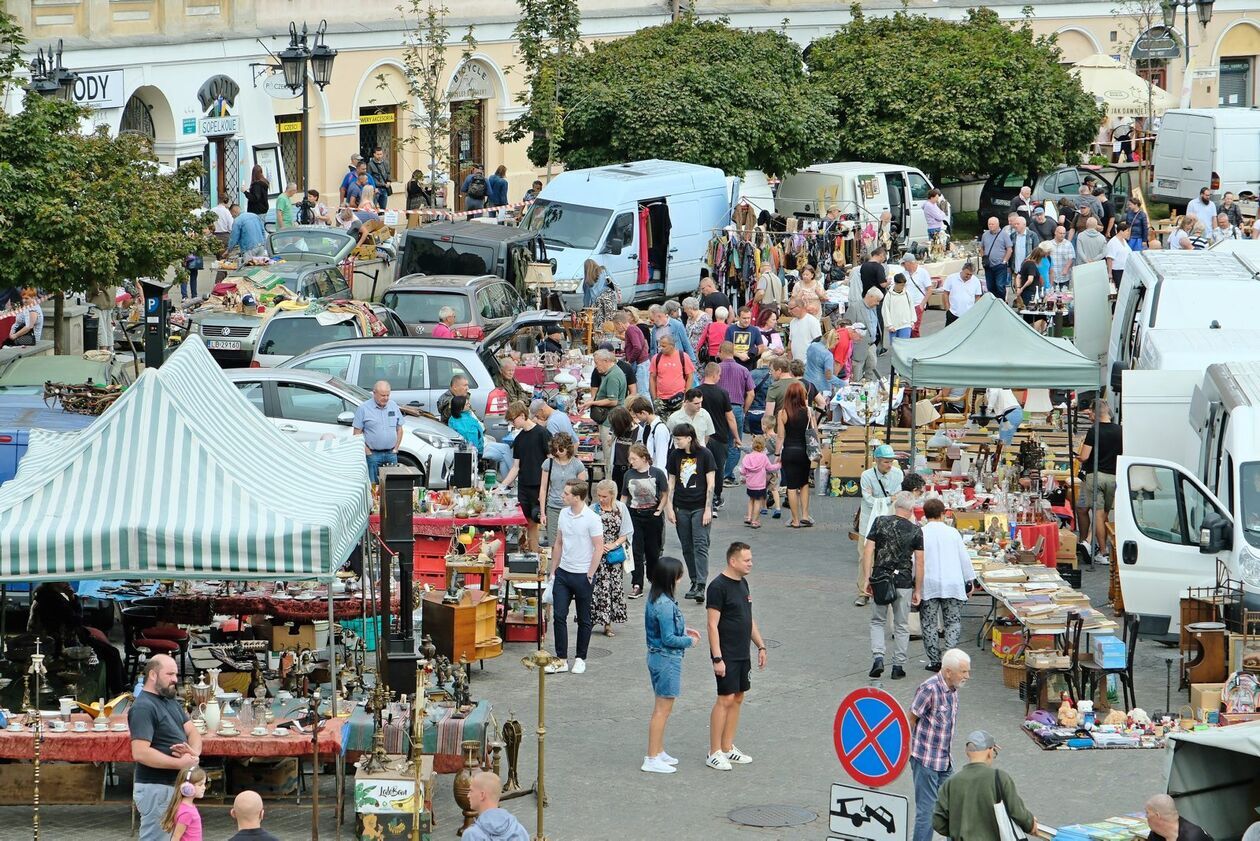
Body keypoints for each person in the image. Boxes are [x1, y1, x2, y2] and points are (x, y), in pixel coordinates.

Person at [705, 541, 767, 771]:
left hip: (743, 652)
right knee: (725, 699)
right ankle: (713, 752)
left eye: (750, 559)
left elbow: (748, 619)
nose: (751, 563)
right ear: (733, 561)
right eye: (747, 560)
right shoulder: (717, 587)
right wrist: (717, 658)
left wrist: (760, 646)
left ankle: (727, 747)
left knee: (738, 697)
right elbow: (712, 626)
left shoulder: (743, 584)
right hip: (727, 653)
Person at [129, 655, 202, 841]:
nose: (175, 679)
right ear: (152, 675)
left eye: (175, 674)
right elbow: (140, 752)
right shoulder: (143, 707)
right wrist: (180, 764)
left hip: (171, 787)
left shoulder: (170, 701)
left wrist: (194, 755)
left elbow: (193, 732)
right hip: (156, 788)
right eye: (169, 674)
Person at [642, 555, 701, 773]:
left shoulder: (656, 598)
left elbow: (662, 630)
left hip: (659, 656)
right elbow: (668, 638)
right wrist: (689, 641)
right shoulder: (665, 604)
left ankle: (658, 751)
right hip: (666, 658)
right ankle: (651, 757)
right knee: (662, 710)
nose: (680, 579)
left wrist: (685, 630)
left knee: (662, 707)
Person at [859, 492, 924, 679]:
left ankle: (878, 657)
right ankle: (898, 666)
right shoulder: (916, 530)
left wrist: (867, 577)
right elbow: (920, 562)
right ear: (911, 510)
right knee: (901, 624)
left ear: (896, 506)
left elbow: (868, 549)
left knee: (877, 620)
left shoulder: (880, 522)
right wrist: (918, 589)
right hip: (903, 580)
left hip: (881, 577)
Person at [909, 648, 971, 841]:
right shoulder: (929, 689)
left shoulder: (953, 689)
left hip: (945, 761)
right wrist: (905, 751)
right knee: (926, 814)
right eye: (963, 671)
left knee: (953, 809)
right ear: (948, 672)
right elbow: (910, 719)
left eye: (967, 671)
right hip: (925, 761)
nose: (967, 676)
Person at [933, 730, 1037, 841]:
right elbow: (1017, 812)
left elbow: (938, 822)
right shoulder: (999, 777)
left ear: (967, 752)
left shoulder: (950, 783)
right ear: (990, 751)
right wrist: (1030, 824)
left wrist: (957, 830)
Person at [546, 480, 603, 674]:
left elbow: (599, 547)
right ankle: (561, 658)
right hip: (563, 572)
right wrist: (553, 570)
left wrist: (590, 574)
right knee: (559, 616)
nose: (562, 496)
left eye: (566, 493)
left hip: (582, 575)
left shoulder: (592, 518)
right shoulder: (563, 514)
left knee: (584, 618)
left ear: (577, 497)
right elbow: (559, 543)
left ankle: (580, 657)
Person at [919, 499, 975, 672]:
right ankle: (949, 657)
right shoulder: (953, 533)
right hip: (952, 582)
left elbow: (916, 560)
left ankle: (934, 659)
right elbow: (963, 558)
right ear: (943, 513)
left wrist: (915, 583)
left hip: (929, 583)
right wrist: (970, 580)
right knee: (952, 621)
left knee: (928, 622)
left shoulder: (920, 532)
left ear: (924, 515)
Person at [666, 422, 716, 603]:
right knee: (687, 546)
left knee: (700, 545)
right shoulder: (675, 455)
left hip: (700, 506)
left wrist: (708, 509)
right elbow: (671, 482)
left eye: (678, 439)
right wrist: (669, 508)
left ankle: (701, 584)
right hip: (681, 507)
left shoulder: (705, 454)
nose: (676, 442)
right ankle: (694, 581)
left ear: (689, 438)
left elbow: (711, 483)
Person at [856, 445, 904, 607]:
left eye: (891, 462)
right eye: (885, 462)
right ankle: (863, 592)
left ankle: (887, 589)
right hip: (868, 521)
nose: (889, 465)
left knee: (889, 557)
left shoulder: (898, 474)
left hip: (889, 520)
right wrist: (889, 499)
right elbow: (868, 500)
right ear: (876, 461)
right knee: (865, 557)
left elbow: (899, 496)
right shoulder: (866, 476)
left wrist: (888, 499)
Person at [500, 401, 552, 551]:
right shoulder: (519, 439)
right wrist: (502, 485)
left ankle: (535, 553)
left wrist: (547, 486)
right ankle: (531, 554)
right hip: (524, 486)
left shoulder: (542, 433)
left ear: (522, 415)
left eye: (513, 419)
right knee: (527, 522)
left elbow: (550, 460)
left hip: (538, 486)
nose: (512, 423)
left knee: (535, 521)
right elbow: (516, 467)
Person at [1078, 398, 1122, 563]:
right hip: (1113, 478)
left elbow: (1084, 456)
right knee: (1103, 514)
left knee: (1097, 513)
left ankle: (1099, 550)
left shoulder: (1093, 431)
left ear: (1095, 413)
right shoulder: (1121, 431)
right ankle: (1097, 549)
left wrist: (1077, 457)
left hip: (1095, 476)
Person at [623, 443, 668, 599]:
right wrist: (621, 513)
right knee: (635, 550)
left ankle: (654, 581)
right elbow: (625, 496)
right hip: (634, 514)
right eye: (630, 459)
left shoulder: (657, 473)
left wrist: (659, 510)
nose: (632, 462)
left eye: (634, 459)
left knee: (652, 552)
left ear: (644, 458)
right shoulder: (629, 474)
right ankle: (637, 584)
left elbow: (664, 493)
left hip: (652, 515)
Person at [592, 479, 633, 636]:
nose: (601, 499)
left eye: (604, 496)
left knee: (612, 588)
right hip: (597, 554)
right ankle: (593, 619)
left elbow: (627, 531)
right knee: (597, 588)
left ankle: (608, 623)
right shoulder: (593, 509)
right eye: (599, 495)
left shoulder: (621, 508)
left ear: (612, 495)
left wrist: (614, 544)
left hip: (613, 555)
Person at [699, 362, 741, 513]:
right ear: (715, 374)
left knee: (701, 467)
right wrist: (736, 436)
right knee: (718, 468)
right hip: (720, 436)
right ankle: (716, 497)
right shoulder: (723, 393)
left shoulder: (697, 392)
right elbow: (730, 417)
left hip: (701, 436)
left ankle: (702, 496)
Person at [775, 381, 814, 529]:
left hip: (789, 451)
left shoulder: (783, 413)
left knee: (791, 486)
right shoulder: (808, 411)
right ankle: (805, 515)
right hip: (804, 452)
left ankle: (795, 520)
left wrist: (777, 453)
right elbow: (814, 432)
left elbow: (780, 436)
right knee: (804, 483)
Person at [535, 431, 585, 547]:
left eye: (560, 449)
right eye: (555, 450)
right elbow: (543, 489)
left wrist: (581, 512)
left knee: (571, 544)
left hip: (572, 509)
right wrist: (543, 513)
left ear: (568, 448)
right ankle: (555, 565)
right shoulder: (549, 463)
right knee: (554, 544)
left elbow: (582, 491)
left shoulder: (577, 465)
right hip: (553, 508)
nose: (558, 452)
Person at [717, 342, 755, 481]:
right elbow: (751, 393)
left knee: (719, 441)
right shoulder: (743, 370)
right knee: (735, 442)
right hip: (736, 407)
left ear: (721, 351)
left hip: (719, 409)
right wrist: (744, 409)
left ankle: (720, 473)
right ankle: (727, 474)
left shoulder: (717, 369)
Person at [352, 380, 404, 483]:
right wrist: (368, 452)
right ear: (374, 393)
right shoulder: (363, 408)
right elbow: (356, 434)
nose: (385, 398)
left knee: (392, 485)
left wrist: (396, 449)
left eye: (388, 395)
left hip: (391, 453)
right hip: (373, 454)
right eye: (382, 395)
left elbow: (399, 429)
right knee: (373, 486)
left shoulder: (393, 405)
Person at [463, 772, 530, 841]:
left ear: (482, 795)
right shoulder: (519, 830)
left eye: (471, 791)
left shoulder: (471, 836)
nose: (468, 795)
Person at [650, 335, 696, 418]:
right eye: (660, 345)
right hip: (661, 400)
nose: (661, 348)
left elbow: (690, 376)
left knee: (679, 426)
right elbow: (652, 378)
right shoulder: (656, 358)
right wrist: (655, 398)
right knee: (663, 426)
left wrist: (686, 396)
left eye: (664, 346)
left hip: (679, 398)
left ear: (672, 346)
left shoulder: (683, 357)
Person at [739, 436, 779, 529]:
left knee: (751, 500)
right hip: (760, 485)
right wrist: (778, 465)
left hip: (750, 484)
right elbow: (770, 468)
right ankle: (755, 520)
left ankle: (749, 517)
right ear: (763, 446)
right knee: (757, 501)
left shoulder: (747, 457)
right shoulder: (763, 457)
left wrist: (743, 474)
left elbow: (743, 471)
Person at [160, 766, 206, 841]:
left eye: (204, 784)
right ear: (188, 787)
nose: (204, 787)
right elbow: (175, 837)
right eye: (200, 784)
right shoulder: (187, 813)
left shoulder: (188, 807)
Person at [1145, 793, 1212, 841]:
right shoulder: (1156, 834)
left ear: (1157, 816)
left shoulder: (1193, 837)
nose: (1146, 816)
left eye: (1147, 813)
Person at [628, 395, 670, 470]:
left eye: (637, 415)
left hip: (656, 471)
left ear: (643, 413)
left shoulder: (660, 429)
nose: (637, 418)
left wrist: (659, 477)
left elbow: (661, 457)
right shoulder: (646, 426)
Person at [979, 216, 1013, 300]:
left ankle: (1001, 301)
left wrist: (1004, 261)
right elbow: (981, 247)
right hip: (989, 265)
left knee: (1000, 285)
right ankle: (993, 302)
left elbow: (1009, 249)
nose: (990, 226)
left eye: (992, 224)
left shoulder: (1004, 235)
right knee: (990, 286)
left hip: (1000, 265)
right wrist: (984, 257)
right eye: (989, 224)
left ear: (998, 224)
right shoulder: (985, 235)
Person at [787, 297, 822, 362]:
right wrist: (789, 357)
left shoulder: (812, 321)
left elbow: (818, 342)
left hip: (808, 362)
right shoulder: (792, 322)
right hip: (796, 363)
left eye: (791, 309)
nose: (789, 311)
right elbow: (790, 340)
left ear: (799, 307)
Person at [882, 275, 916, 341]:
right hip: (894, 326)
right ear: (896, 283)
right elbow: (885, 311)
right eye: (901, 285)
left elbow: (911, 307)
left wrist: (912, 322)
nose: (903, 287)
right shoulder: (889, 296)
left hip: (906, 325)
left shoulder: (907, 294)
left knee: (905, 345)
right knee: (896, 347)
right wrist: (889, 325)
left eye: (904, 285)